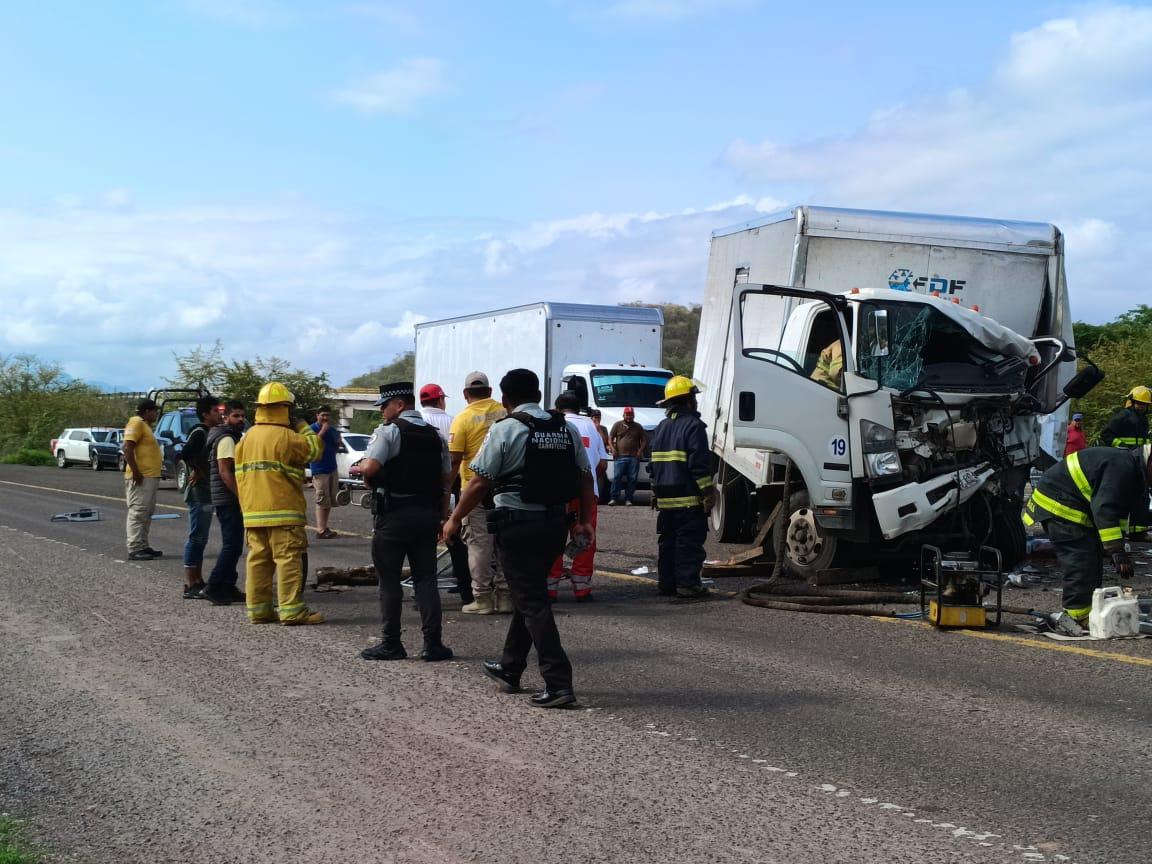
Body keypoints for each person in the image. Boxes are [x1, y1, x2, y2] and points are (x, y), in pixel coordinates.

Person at [443, 368, 594, 709]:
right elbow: (585, 479)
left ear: (506, 399)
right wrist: (584, 523)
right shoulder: (565, 429)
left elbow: (479, 482)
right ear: (539, 394)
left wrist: (454, 518)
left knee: (533, 601)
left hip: (517, 527)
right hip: (554, 526)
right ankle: (510, 668)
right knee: (530, 595)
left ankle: (558, 683)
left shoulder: (507, 429)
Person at [358, 382, 454, 662]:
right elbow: (446, 480)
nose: (381, 412)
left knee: (389, 580)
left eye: (384, 406)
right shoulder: (436, 436)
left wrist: (364, 469)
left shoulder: (389, 432)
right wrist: (442, 516)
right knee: (426, 580)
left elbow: (371, 467)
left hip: (394, 514)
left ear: (399, 404)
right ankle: (433, 644)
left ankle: (391, 644)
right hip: (427, 513)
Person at [1023, 444, 1151, 631]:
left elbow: (1119, 514)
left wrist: (1115, 547)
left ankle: (1089, 611)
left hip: (1071, 505)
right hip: (1059, 506)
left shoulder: (1135, 473)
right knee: (1081, 559)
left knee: (1092, 556)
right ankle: (1076, 617)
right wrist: (1117, 551)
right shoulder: (1123, 467)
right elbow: (1104, 509)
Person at [235, 382, 325, 626]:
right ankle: (292, 611)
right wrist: (303, 425)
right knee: (287, 559)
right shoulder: (288, 436)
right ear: (285, 408)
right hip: (283, 512)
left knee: (258, 560)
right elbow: (315, 449)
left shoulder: (246, 438)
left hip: (253, 512)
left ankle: (259, 611)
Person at [447, 371, 509, 615]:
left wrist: (445, 494)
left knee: (479, 544)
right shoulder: (505, 413)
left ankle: (482, 597)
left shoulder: (462, 419)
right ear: (490, 391)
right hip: (503, 489)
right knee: (502, 544)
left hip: (474, 489)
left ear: (465, 394)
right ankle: (505, 597)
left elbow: (454, 460)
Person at [649, 376, 714, 599]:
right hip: (688, 500)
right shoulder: (694, 426)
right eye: (693, 397)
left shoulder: (661, 427)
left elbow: (653, 465)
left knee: (667, 544)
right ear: (688, 401)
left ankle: (666, 584)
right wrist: (708, 493)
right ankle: (687, 584)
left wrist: (655, 492)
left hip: (666, 501)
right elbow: (698, 465)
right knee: (688, 543)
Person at [548, 391, 607, 601]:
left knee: (554, 538)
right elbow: (602, 464)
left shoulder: (553, 423)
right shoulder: (592, 426)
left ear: (557, 407)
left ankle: (550, 587)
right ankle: (582, 587)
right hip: (587, 493)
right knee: (584, 537)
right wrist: (589, 481)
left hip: (557, 493)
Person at [419, 382, 472, 605]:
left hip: (424, 488)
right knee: (455, 540)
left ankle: (422, 591)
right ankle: (465, 589)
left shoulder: (417, 420)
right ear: (440, 400)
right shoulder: (452, 420)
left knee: (423, 545)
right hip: (454, 485)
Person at [202, 400, 248, 606]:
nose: (240, 419)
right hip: (228, 499)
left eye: (242, 416)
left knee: (235, 545)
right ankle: (213, 586)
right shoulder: (227, 439)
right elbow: (224, 471)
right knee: (231, 545)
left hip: (226, 498)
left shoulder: (230, 436)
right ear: (226, 417)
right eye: (236, 416)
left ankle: (228, 586)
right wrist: (241, 496)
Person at [178, 395, 221, 599]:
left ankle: (198, 579)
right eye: (215, 411)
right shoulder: (200, 432)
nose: (219, 414)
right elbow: (185, 453)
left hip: (207, 492)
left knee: (202, 538)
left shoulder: (210, 432)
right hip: (199, 493)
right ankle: (189, 582)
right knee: (196, 537)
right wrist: (198, 470)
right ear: (205, 414)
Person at [122, 397, 164, 561]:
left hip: (150, 476)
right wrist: (136, 471)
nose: (156, 414)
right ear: (147, 411)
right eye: (155, 411)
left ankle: (143, 545)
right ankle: (134, 548)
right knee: (138, 512)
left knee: (147, 512)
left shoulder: (145, 425)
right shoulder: (136, 423)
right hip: (141, 476)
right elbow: (127, 447)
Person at [309, 406, 344, 540]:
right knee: (322, 499)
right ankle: (321, 529)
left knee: (329, 501)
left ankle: (324, 526)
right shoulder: (312, 429)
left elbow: (336, 447)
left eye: (327, 415)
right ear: (317, 415)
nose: (325, 418)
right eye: (323, 415)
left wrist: (338, 443)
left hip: (331, 468)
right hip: (319, 469)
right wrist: (322, 431)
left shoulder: (333, 429)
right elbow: (311, 444)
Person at [607, 406, 648, 507]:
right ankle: (614, 498)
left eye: (631, 414)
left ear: (633, 415)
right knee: (617, 477)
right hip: (619, 456)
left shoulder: (638, 426)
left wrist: (640, 451)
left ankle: (628, 499)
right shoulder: (617, 425)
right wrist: (612, 449)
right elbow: (610, 438)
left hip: (634, 457)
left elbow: (644, 440)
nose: (629, 416)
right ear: (623, 415)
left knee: (632, 479)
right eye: (627, 414)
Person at [1098, 386, 1150, 450]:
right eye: (1139, 403)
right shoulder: (1124, 415)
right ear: (1132, 402)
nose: (1142, 407)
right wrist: (1121, 445)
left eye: (1144, 404)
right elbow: (1105, 434)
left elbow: (1146, 439)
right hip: (1122, 455)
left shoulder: (1144, 419)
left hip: (1138, 456)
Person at [589, 409, 611, 505]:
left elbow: (605, 441)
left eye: (598, 417)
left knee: (601, 478)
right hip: (591, 455)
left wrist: (599, 429)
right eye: (595, 417)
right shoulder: (588, 427)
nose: (596, 419)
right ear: (591, 418)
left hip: (600, 456)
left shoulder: (604, 428)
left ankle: (599, 498)